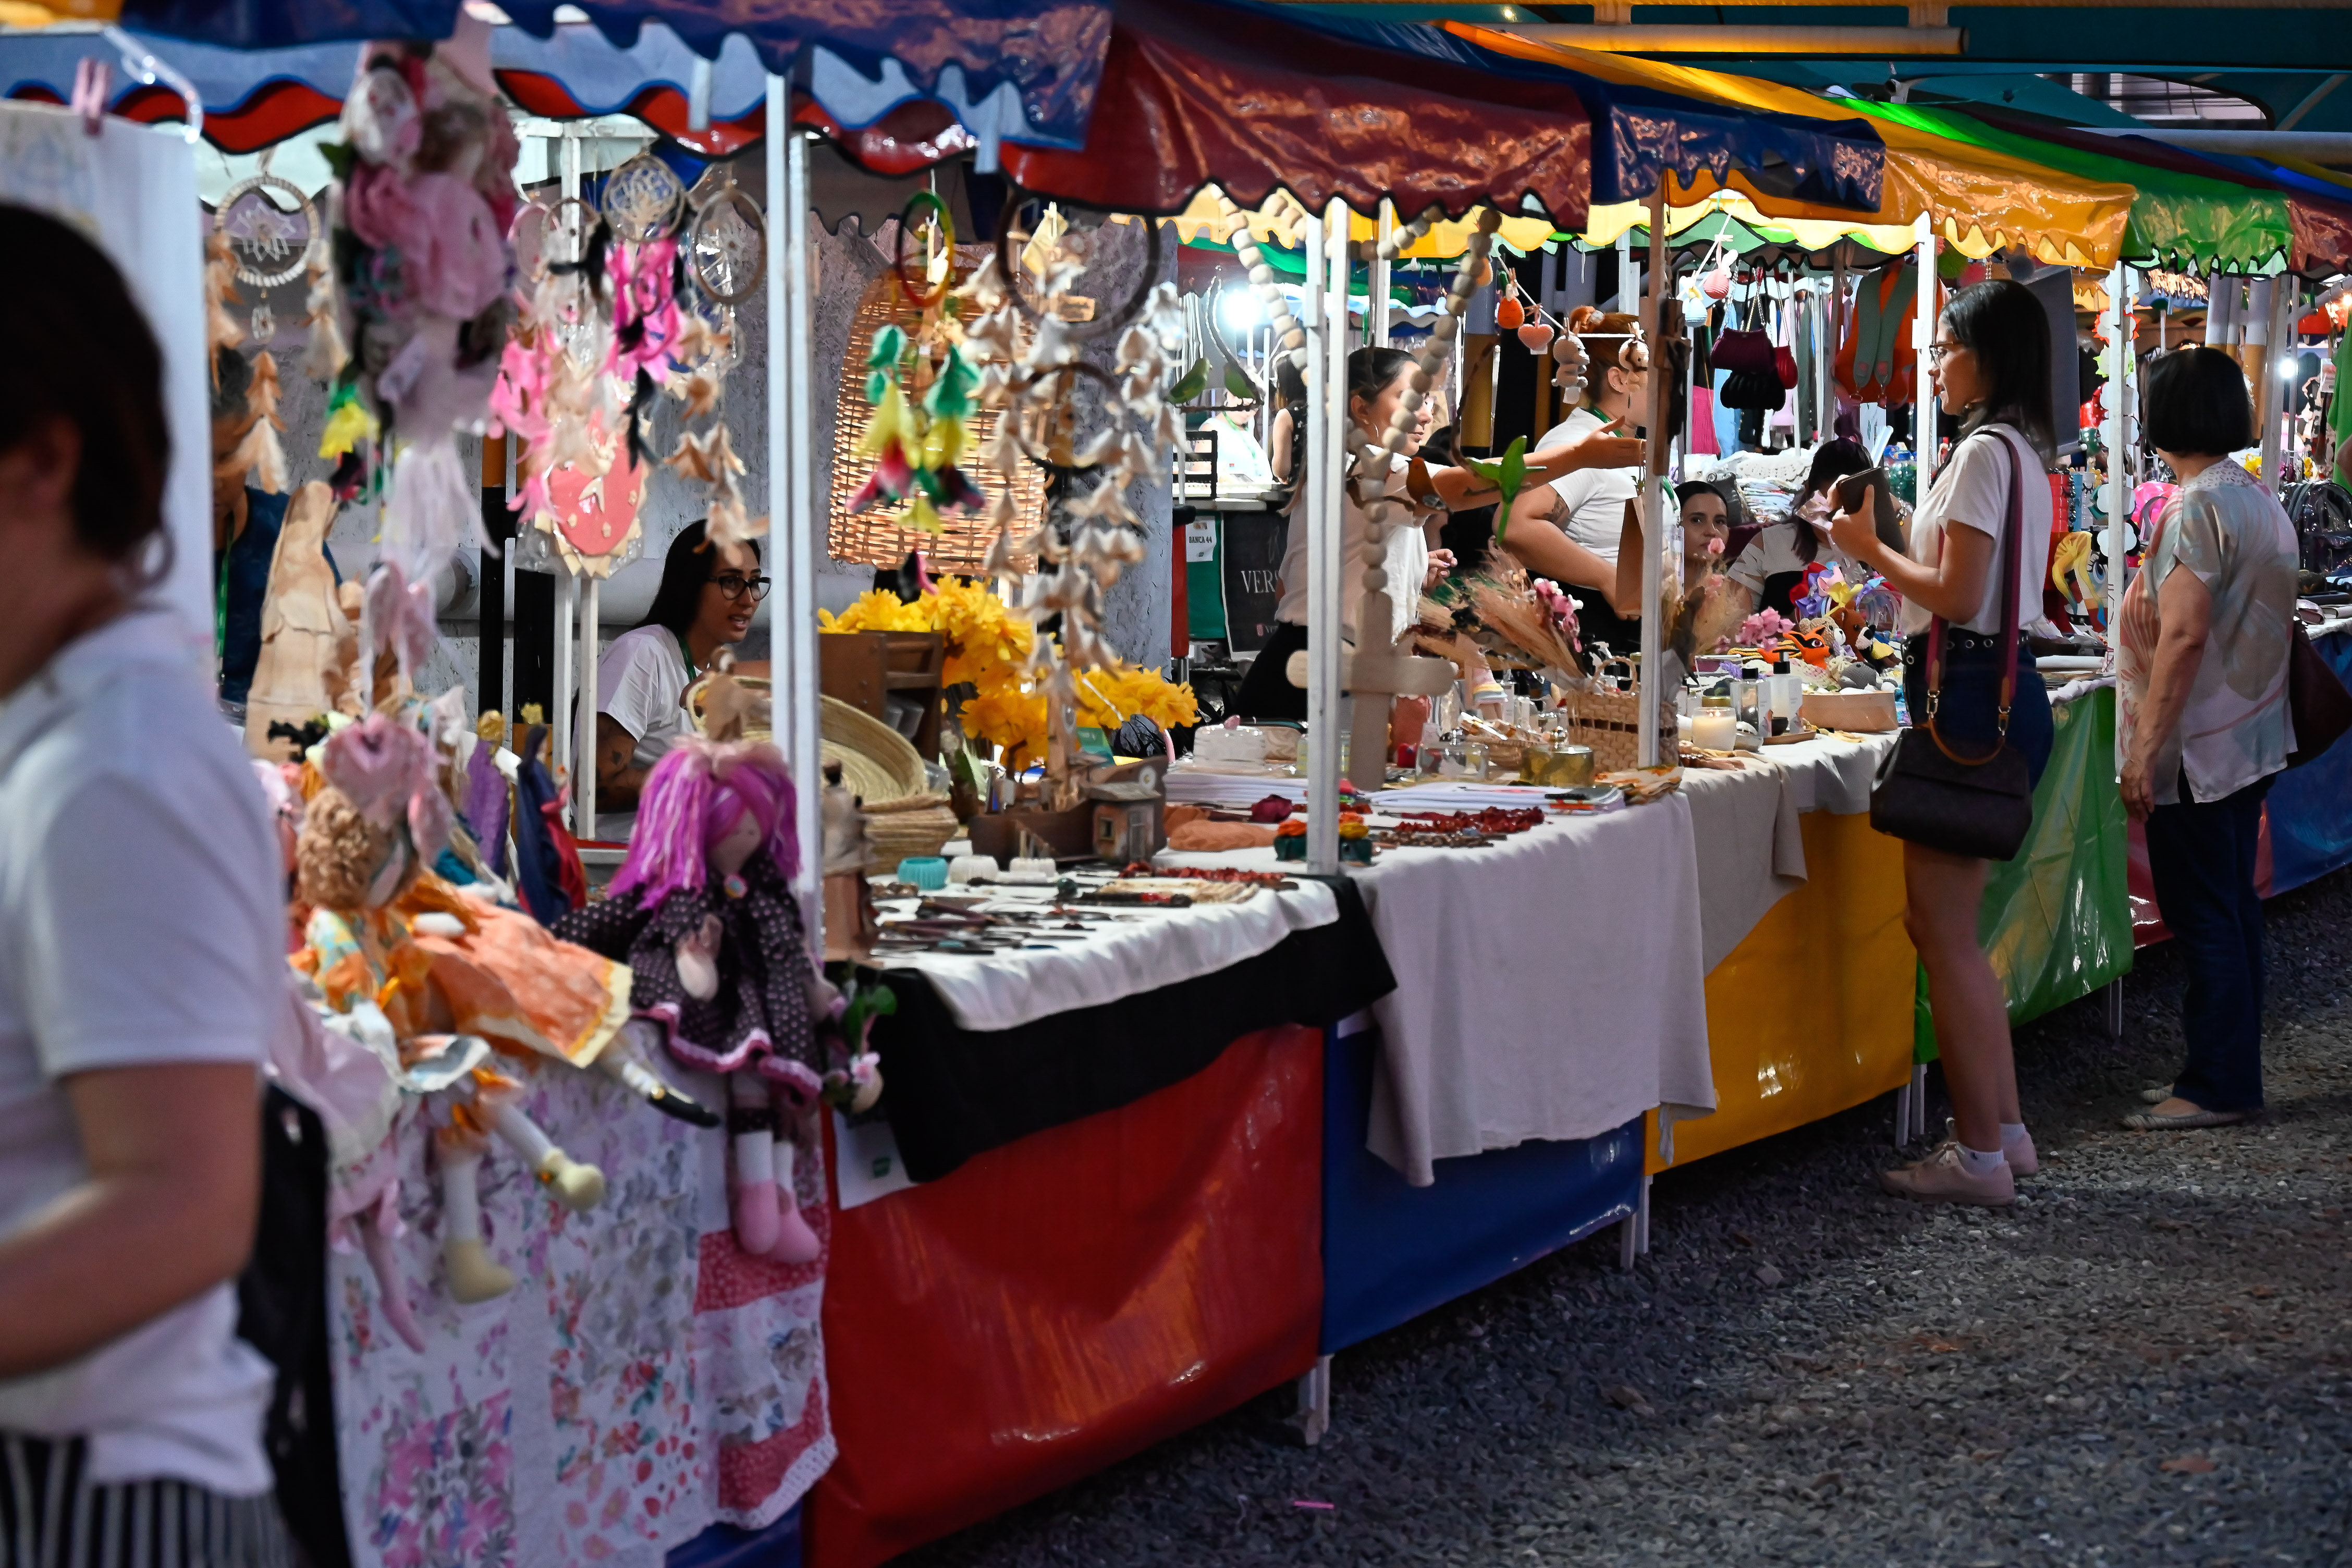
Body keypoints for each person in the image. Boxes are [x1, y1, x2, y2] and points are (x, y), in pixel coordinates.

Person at [0, 206, 293, 1561]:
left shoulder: (115, 764)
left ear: (41, 462)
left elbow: (180, 1206)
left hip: (104, 1497)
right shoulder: (67, 736)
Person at [1824, 278, 2059, 1207]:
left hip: (1968, 693)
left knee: (1944, 933)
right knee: (1957, 933)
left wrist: (1867, 547)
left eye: (1947, 346)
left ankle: (1979, 1153)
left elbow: (1959, 597)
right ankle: (2002, 1130)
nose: (1933, 360)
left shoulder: (1981, 455)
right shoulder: (2019, 453)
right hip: (1991, 691)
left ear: (1986, 355)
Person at [1233, 346, 1644, 720]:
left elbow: (1308, 575)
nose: (1428, 414)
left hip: (1347, 667)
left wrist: (1411, 570)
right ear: (1362, 407)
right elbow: (1464, 485)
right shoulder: (1363, 464)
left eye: (1428, 400)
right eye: (1413, 399)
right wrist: (1578, 456)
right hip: (1311, 675)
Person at [2117, 348, 2298, 1131]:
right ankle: (2229, 1071)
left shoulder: (2197, 509)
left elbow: (2184, 637)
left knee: (2205, 914)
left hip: (2197, 749)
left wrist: (2145, 749)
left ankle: (2216, 1084)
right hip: (2246, 738)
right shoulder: (2255, 496)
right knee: (2231, 908)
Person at [594, 521, 766, 839]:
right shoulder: (643, 653)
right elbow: (596, 785)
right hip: (631, 864)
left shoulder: (711, 670)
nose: (748, 599)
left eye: (754, 583)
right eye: (731, 582)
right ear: (689, 584)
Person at [1498, 314, 1649, 654]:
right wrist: (1605, 577)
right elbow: (1515, 525)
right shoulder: (1575, 444)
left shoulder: (1626, 444)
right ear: (1619, 379)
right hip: (1596, 634)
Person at [1724, 437, 1873, 617]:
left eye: (1851, 508)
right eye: (1831, 509)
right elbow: (1731, 623)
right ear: (1809, 492)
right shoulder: (1770, 543)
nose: (1840, 519)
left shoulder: (1884, 551)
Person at [1676, 478, 1738, 583]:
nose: (1712, 532)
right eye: (1697, 520)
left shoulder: (1732, 592)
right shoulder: (1649, 592)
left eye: (1719, 522)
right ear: (1674, 525)